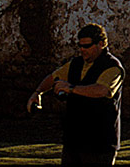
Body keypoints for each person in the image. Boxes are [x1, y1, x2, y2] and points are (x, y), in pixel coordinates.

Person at [27, 23, 124, 166]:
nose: (82, 50)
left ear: (101, 44)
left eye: (87, 46)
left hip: (99, 142)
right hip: (74, 139)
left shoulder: (112, 67)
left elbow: (101, 90)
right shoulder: (76, 63)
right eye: (80, 46)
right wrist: (37, 92)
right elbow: (53, 77)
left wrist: (70, 88)